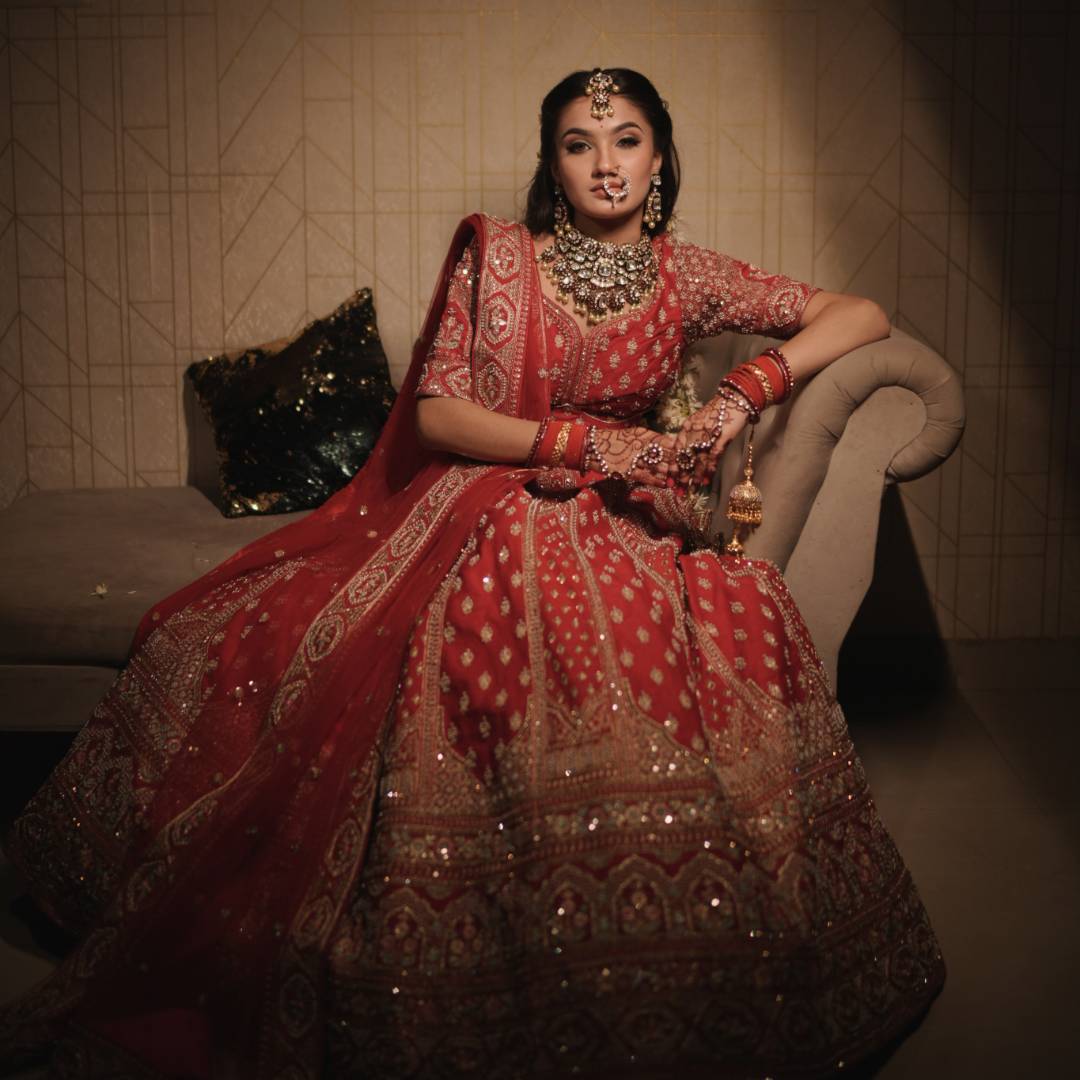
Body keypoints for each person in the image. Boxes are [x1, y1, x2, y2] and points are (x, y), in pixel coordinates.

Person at [1, 68, 945, 1078]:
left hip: (623, 515)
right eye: (580, 144)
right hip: (488, 491)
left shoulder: (689, 277)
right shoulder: (498, 262)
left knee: (627, 640)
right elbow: (441, 415)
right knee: (440, 597)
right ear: (552, 166)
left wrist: (743, 392)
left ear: (660, 157)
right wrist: (593, 443)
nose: (606, 164)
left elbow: (859, 313)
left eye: (627, 140)